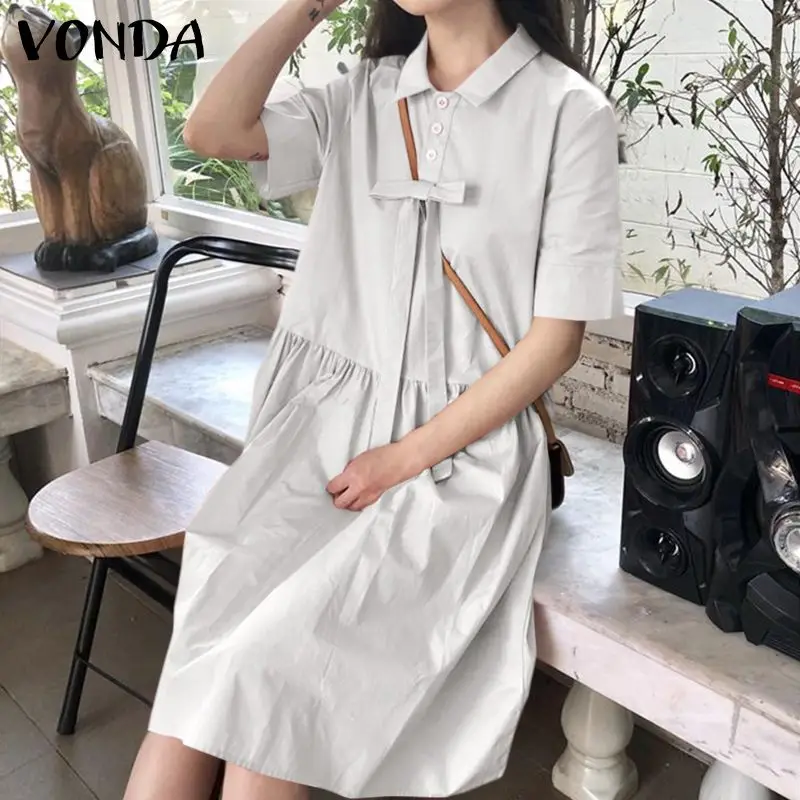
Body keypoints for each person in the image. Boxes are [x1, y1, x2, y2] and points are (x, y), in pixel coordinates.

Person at [124, 0, 622, 798]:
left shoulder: (568, 113)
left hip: (460, 454)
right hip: (320, 434)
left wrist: (402, 458)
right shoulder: (362, 93)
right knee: (196, 678)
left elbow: (554, 343)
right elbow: (213, 132)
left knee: (263, 688)